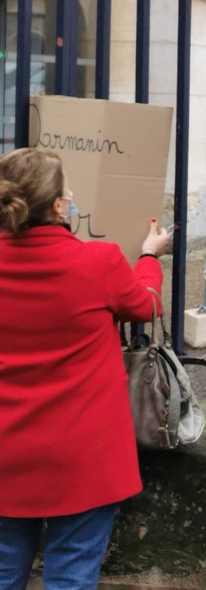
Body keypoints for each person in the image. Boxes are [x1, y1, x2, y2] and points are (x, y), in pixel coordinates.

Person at [0, 147, 170, 590]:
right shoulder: (100, 261)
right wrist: (150, 257)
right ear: (58, 205)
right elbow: (145, 305)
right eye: (68, 188)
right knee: (71, 575)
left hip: (6, 449)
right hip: (83, 454)